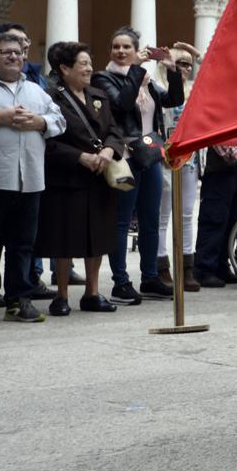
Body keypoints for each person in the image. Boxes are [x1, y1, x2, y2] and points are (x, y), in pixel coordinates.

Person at [94, 26, 183, 304]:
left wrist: (171, 69)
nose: (120, 51)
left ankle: (150, 278)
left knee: (150, 220)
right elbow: (120, 105)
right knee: (121, 221)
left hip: (149, 155)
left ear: (135, 49)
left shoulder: (145, 79)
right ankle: (120, 282)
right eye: (116, 47)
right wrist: (137, 69)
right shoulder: (104, 77)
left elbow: (174, 99)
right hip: (123, 157)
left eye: (126, 47)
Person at [37, 41, 122, 315]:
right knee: (64, 237)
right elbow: (47, 141)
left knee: (96, 235)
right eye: (82, 64)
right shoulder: (50, 98)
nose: (89, 68)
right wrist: (79, 157)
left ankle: (92, 293)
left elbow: (114, 130)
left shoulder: (99, 95)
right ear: (64, 68)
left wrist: (110, 149)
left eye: (89, 62)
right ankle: (61, 295)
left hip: (99, 175)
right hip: (67, 177)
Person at [0, 31, 65, 322]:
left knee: (22, 244)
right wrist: (0, 118)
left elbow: (59, 120)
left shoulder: (36, 90)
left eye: (17, 52)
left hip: (31, 180)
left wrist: (40, 122)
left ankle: (18, 301)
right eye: (4, 51)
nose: (13, 56)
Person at [157, 43, 202, 292]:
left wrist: (194, 53)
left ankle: (187, 269)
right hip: (163, 158)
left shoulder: (195, 90)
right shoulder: (158, 88)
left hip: (190, 159)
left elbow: (212, 74)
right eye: (180, 62)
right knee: (162, 216)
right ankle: (162, 268)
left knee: (186, 214)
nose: (185, 67)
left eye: (188, 64)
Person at [193, 140, 237, 286]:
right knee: (214, 219)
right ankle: (204, 269)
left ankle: (221, 265)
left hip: (235, 168)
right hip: (219, 168)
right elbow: (218, 137)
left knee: (231, 221)